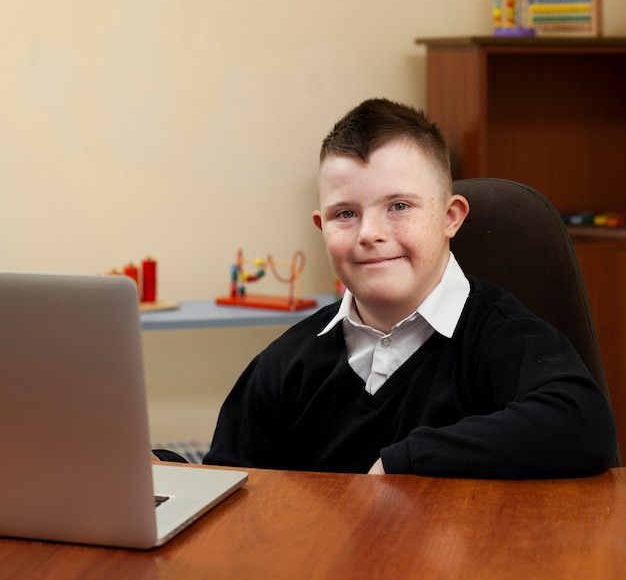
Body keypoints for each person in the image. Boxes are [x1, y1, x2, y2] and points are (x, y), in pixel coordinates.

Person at [203, 98, 617, 478]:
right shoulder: (285, 364)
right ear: (321, 227)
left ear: (450, 218)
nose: (370, 233)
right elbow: (228, 488)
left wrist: (404, 462)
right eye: (345, 213)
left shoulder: (503, 337)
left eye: (398, 206)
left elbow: (583, 423)